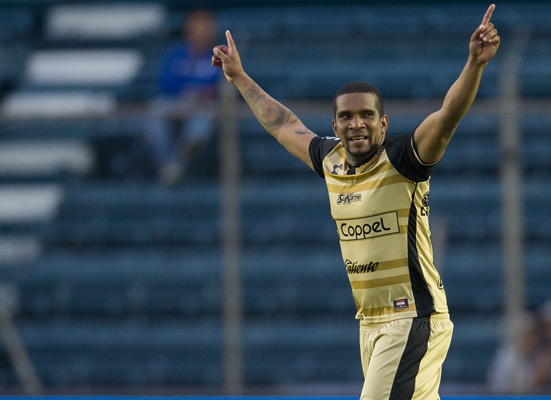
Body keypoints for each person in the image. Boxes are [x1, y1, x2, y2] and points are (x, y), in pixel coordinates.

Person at [211, 5, 499, 399]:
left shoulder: (404, 160)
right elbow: (281, 124)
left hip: (411, 317)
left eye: (367, 115)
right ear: (335, 126)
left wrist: (474, 65)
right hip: (369, 323)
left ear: (383, 123)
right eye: (346, 116)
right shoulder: (329, 160)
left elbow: (448, 116)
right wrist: (240, 77)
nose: (356, 123)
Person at [144, 9, 222, 185]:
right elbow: (165, 82)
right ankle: (168, 165)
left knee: (201, 123)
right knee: (155, 112)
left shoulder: (219, 54)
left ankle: (176, 166)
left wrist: (200, 92)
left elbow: (220, 83)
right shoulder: (176, 52)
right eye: (197, 25)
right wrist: (187, 89)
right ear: (188, 28)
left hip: (204, 104)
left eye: (205, 26)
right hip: (176, 100)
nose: (201, 30)